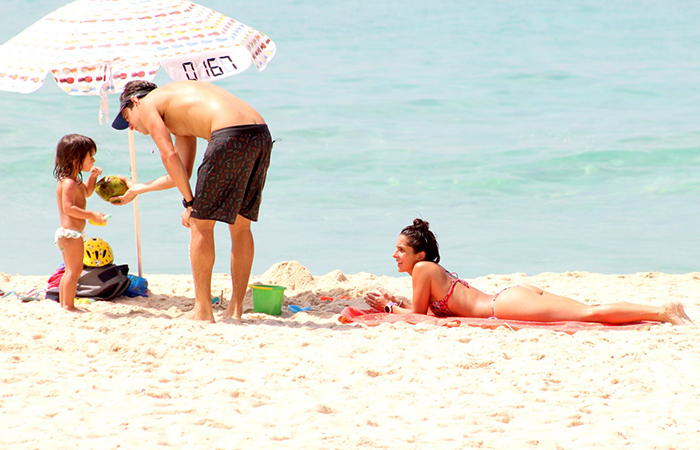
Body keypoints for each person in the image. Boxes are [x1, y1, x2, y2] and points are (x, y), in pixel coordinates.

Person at [110, 80, 273, 323]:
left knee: (201, 224)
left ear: (134, 101)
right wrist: (138, 189)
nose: (130, 127)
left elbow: (168, 154)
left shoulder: (147, 104)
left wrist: (190, 204)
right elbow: (181, 173)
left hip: (228, 134)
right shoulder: (178, 111)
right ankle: (235, 310)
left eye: (126, 117)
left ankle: (203, 311)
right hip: (259, 135)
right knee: (241, 225)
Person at [365, 219, 695, 326]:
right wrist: (394, 301)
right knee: (585, 310)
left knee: (588, 313)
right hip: (512, 297)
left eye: (401, 250)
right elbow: (421, 307)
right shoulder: (428, 269)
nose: (395, 255)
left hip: (504, 306)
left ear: (419, 255)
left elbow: (420, 318)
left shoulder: (422, 269)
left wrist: (388, 308)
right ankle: (658, 312)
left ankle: (662, 311)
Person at [53, 134, 107, 312]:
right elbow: (68, 208)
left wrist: (92, 176)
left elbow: (88, 192)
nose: (93, 159)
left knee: (70, 270)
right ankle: (68, 306)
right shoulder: (68, 183)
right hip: (70, 233)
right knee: (74, 272)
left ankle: (64, 303)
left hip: (70, 233)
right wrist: (91, 214)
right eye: (90, 156)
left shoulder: (76, 180)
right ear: (76, 158)